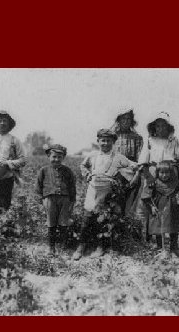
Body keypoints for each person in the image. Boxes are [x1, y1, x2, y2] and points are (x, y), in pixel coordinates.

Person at [73, 129, 141, 259]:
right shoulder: (92, 155)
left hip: (107, 190)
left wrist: (136, 173)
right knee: (87, 217)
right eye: (102, 140)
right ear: (98, 141)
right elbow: (83, 165)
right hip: (93, 189)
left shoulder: (118, 157)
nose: (105, 143)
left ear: (113, 142)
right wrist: (86, 174)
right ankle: (81, 246)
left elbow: (134, 166)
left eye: (108, 141)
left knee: (102, 219)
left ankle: (100, 247)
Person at [138, 112, 179, 242]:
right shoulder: (150, 141)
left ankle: (173, 241)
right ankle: (151, 239)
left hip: (171, 175)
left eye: (164, 126)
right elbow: (143, 163)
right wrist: (149, 178)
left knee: (173, 206)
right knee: (151, 205)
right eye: (158, 126)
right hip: (154, 174)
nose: (161, 129)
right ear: (154, 127)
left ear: (169, 127)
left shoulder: (176, 142)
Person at [36, 144, 76, 255]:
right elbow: (38, 186)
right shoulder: (44, 170)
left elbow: (72, 186)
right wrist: (41, 200)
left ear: (63, 158)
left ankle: (63, 247)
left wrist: (72, 200)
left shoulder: (67, 171)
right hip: (49, 199)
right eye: (54, 157)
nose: (56, 159)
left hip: (65, 199)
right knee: (51, 223)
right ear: (49, 156)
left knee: (63, 223)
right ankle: (51, 247)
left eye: (59, 157)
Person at [140, 160, 179, 256]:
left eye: (167, 172)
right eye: (162, 173)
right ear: (157, 173)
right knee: (158, 227)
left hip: (172, 209)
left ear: (171, 173)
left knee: (173, 227)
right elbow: (146, 196)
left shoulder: (175, 183)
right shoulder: (154, 183)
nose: (164, 175)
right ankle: (160, 247)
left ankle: (174, 247)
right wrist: (151, 207)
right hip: (158, 209)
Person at [111, 108, 145, 217]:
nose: (126, 121)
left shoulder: (137, 138)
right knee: (114, 204)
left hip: (132, 174)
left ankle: (127, 229)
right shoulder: (112, 137)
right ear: (118, 120)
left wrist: (137, 175)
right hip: (114, 174)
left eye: (128, 119)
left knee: (129, 205)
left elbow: (141, 160)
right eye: (123, 119)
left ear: (132, 121)